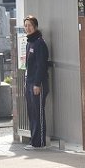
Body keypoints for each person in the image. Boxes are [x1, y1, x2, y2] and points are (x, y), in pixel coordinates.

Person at [23, 15, 50, 150]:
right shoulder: (29, 43)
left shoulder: (40, 43)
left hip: (38, 83)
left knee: (38, 112)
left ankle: (40, 143)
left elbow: (41, 65)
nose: (27, 28)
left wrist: (37, 84)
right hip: (29, 82)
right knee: (32, 112)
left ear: (35, 27)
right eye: (26, 25)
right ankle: (34, 141)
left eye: (30, 25)